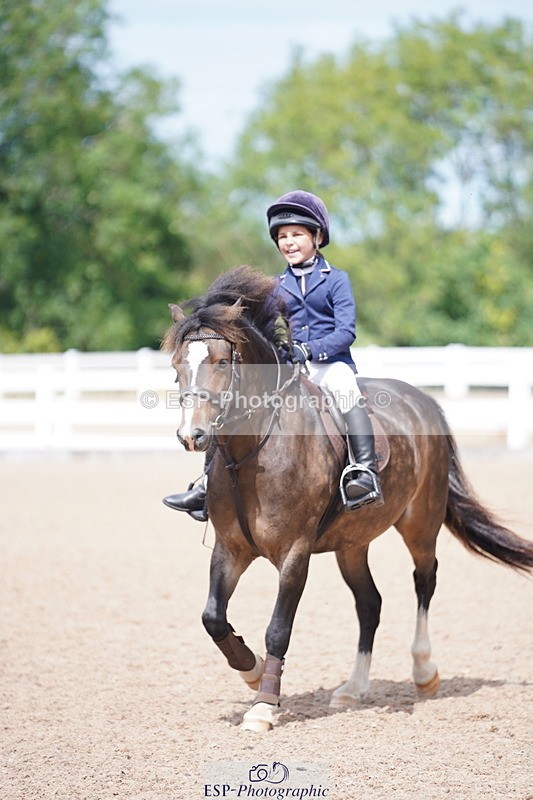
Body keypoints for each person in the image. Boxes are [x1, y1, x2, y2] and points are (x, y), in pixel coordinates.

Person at [163, 190, 383, 519]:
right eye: (282, 237)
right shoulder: (274, 285)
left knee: (345, 389)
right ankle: (207, 485)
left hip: (329, 364)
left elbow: (346, 332)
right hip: (288, 367)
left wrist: (307, 349)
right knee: (234, 401)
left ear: (317, 237)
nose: (289, 242)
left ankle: (364, 471)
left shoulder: (337, 280)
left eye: (296, 235)